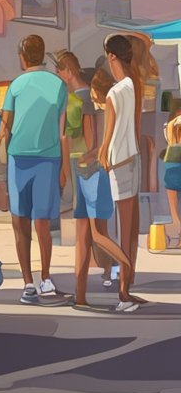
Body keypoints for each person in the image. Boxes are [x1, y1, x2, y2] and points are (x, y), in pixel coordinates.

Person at [0, 34, 68, 305]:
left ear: (23, 56)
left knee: (20, 224)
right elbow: (61, 131)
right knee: (42, 225)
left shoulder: (16, 85)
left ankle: (28, 283)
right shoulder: (58, 85)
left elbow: (5, 128)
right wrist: (63, 168)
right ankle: (46, 278)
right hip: (48, 159)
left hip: (19, 160)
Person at [65, 64, 134, 309]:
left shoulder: (104, 110)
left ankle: (124, 265)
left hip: (95, 174)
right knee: (85, 236)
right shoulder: (102, 109)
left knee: (94, 234)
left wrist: (85, 156)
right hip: (90, 174)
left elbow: (97, 148)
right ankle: (80, 294)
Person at [54, 51, 116, 288]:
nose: (59, 75)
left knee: (91, 220)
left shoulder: (82, 99)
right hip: (79, 160)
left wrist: (84, 159)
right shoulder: (77, 97)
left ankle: (108, 265)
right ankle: (98, 266)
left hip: (82, 162)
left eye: (61, 71)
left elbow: (90, 137)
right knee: (89, 219)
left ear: (68, 71)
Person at [101, 34, 145, 312]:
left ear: (112, 57)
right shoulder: (134, 85)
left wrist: (101, 154)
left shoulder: (114, 93)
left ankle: (123, 293)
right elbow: (136, 126)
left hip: (118, 161)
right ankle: (127, 286)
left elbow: (108, 139)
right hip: (134, 157)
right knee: (130, 228)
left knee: (120, 227)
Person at [163, 115, 181, 250]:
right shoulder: (173, 125)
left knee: (175, 210)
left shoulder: (171, 126)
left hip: (172, 166)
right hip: (173, 166)